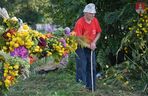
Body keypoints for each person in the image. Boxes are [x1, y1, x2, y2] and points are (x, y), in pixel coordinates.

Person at [73, 3, 102, 91]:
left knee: (92, 66)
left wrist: (94, 42)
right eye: (91, 13)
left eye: (94, 13)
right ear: (85, 13)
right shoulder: (79, 23)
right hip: (80, 46)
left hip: (91, 46)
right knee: (82, 65)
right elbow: (78, 39)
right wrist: (89, 46)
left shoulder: (95, 20)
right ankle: (81, 86)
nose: (93, 15)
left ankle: (91, 87)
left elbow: (98, 32)